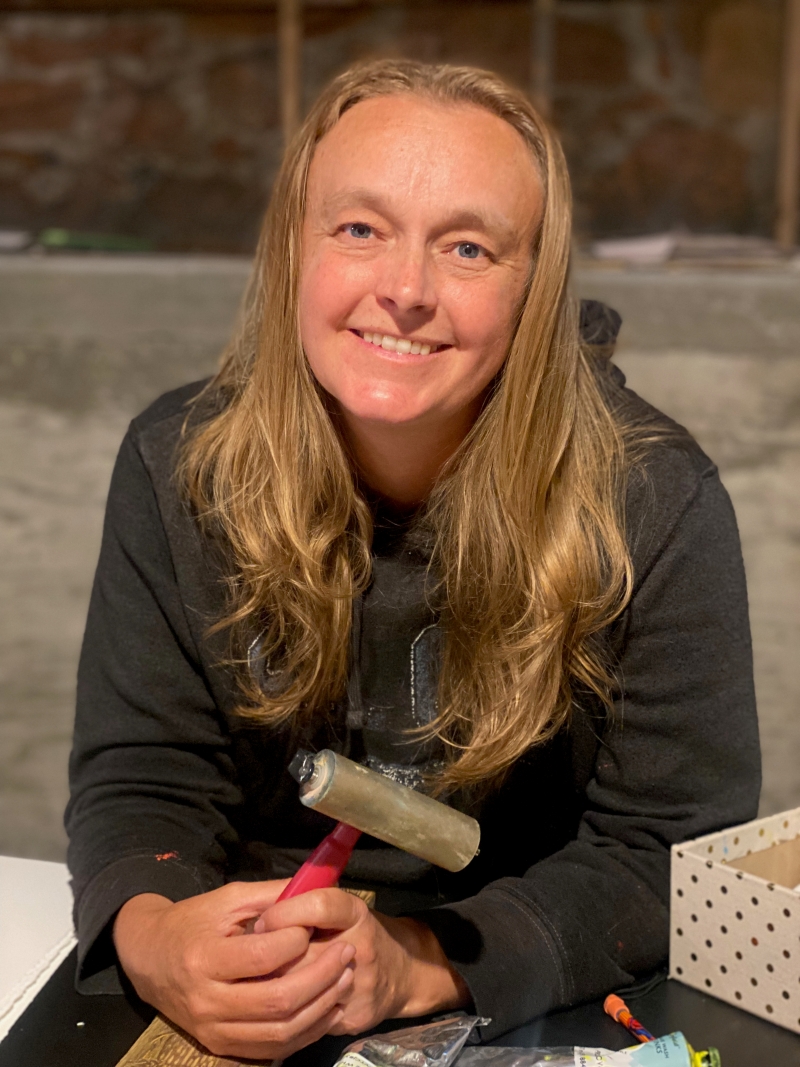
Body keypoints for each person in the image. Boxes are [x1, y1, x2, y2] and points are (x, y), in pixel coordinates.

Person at [66, 60, 760, 1061]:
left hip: (527, 986)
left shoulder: (654, 503)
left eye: (467, 246)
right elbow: (142, 771)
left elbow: (666, 856)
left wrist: (413, 961)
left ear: (533, 288)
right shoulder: (178, 462)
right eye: (358, 229)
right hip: (243, 973)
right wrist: (156, 931)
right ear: (291, 251)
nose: (403, 290)